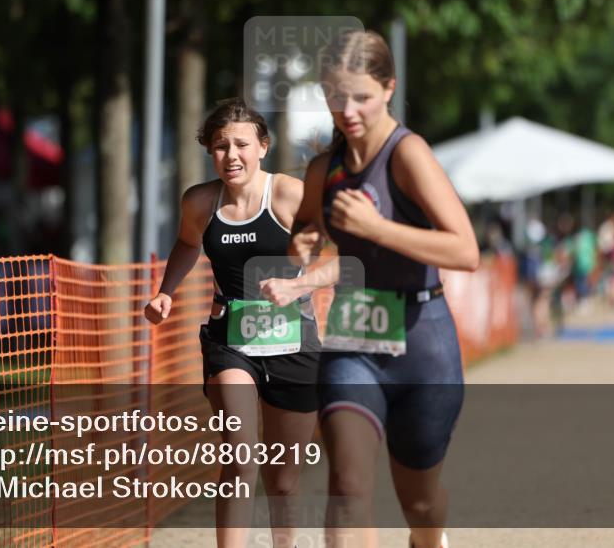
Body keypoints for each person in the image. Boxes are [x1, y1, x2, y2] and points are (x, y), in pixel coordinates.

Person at [289, 30, 479, 548]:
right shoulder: (324, 169)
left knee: (420, 503)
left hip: (423, 344)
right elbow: (305, 231)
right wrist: (302, 245)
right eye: (335, 96)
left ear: (389, 88)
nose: (347, 110)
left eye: (362, 97)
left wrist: (378, 229)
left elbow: (466, 250)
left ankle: (428, 539)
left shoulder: (408, 154)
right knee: (347, 486)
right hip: (354, 340)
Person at [144, 99, 324, 548]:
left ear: (263, 146)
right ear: (210, 150)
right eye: (221, 146)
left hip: (293, 340)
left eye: (242, 144)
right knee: (240, 458)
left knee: (283, 477)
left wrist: (298, 286)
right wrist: (167, 291)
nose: (232, 155)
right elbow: (188, 244)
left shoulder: (289, 195)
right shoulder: (200, 201)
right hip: (230, 339)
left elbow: (340, 254)